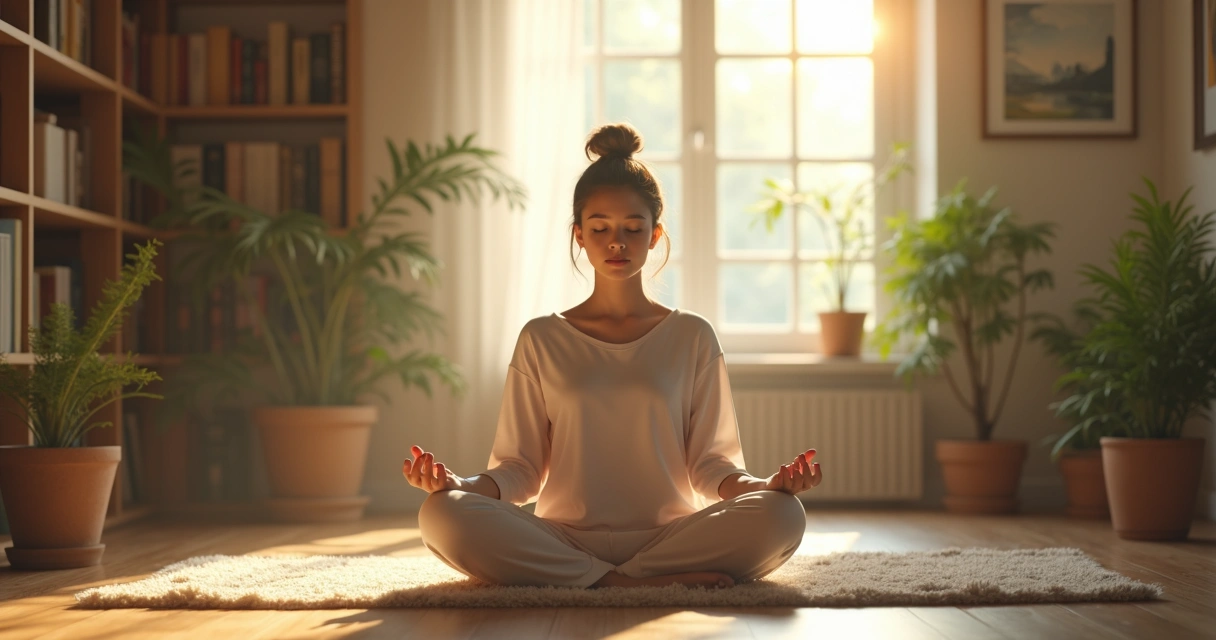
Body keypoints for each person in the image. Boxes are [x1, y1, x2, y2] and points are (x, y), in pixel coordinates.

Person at [403, 123, 822, 590]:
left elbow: (713, 467)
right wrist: (457, 485)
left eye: (632, 228)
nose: (616, 242)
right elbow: (519, 470)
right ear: (579, 235)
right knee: (440, 514)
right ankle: (626, 583)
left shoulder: (692, 335)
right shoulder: (542, 337)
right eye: (600, 228)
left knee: (784, 514)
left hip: (671, 537)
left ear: (655, 235)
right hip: (562, 537)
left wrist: (768, 487)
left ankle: (598, 580)